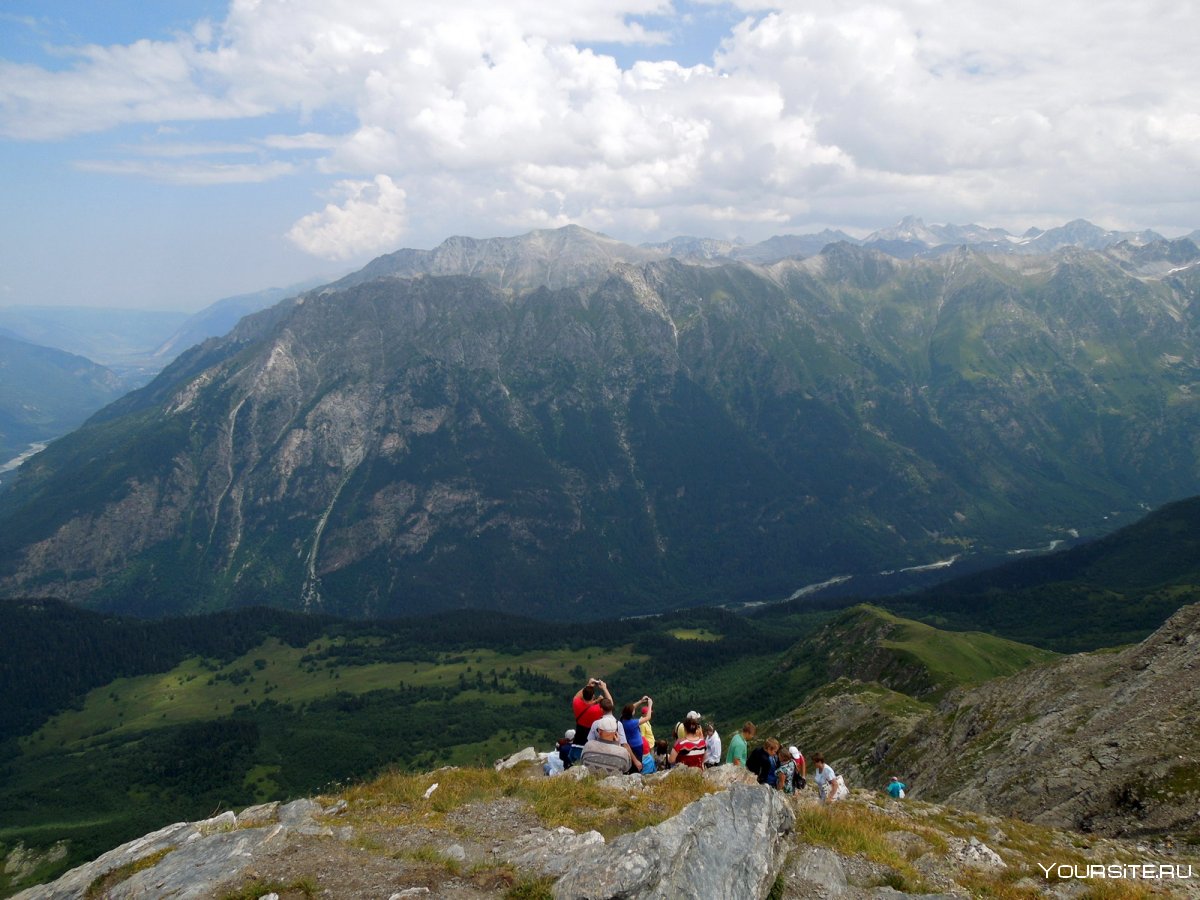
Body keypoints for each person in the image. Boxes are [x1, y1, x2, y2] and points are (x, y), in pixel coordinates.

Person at [572, 678, 611, 755]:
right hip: (591, 746)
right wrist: (604, 688)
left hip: (577, 744)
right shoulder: (597, 710)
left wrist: (589, 685)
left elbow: (578, 696)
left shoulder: (576, 702)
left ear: (583, 695)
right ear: (593, 696)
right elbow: (610, 703)